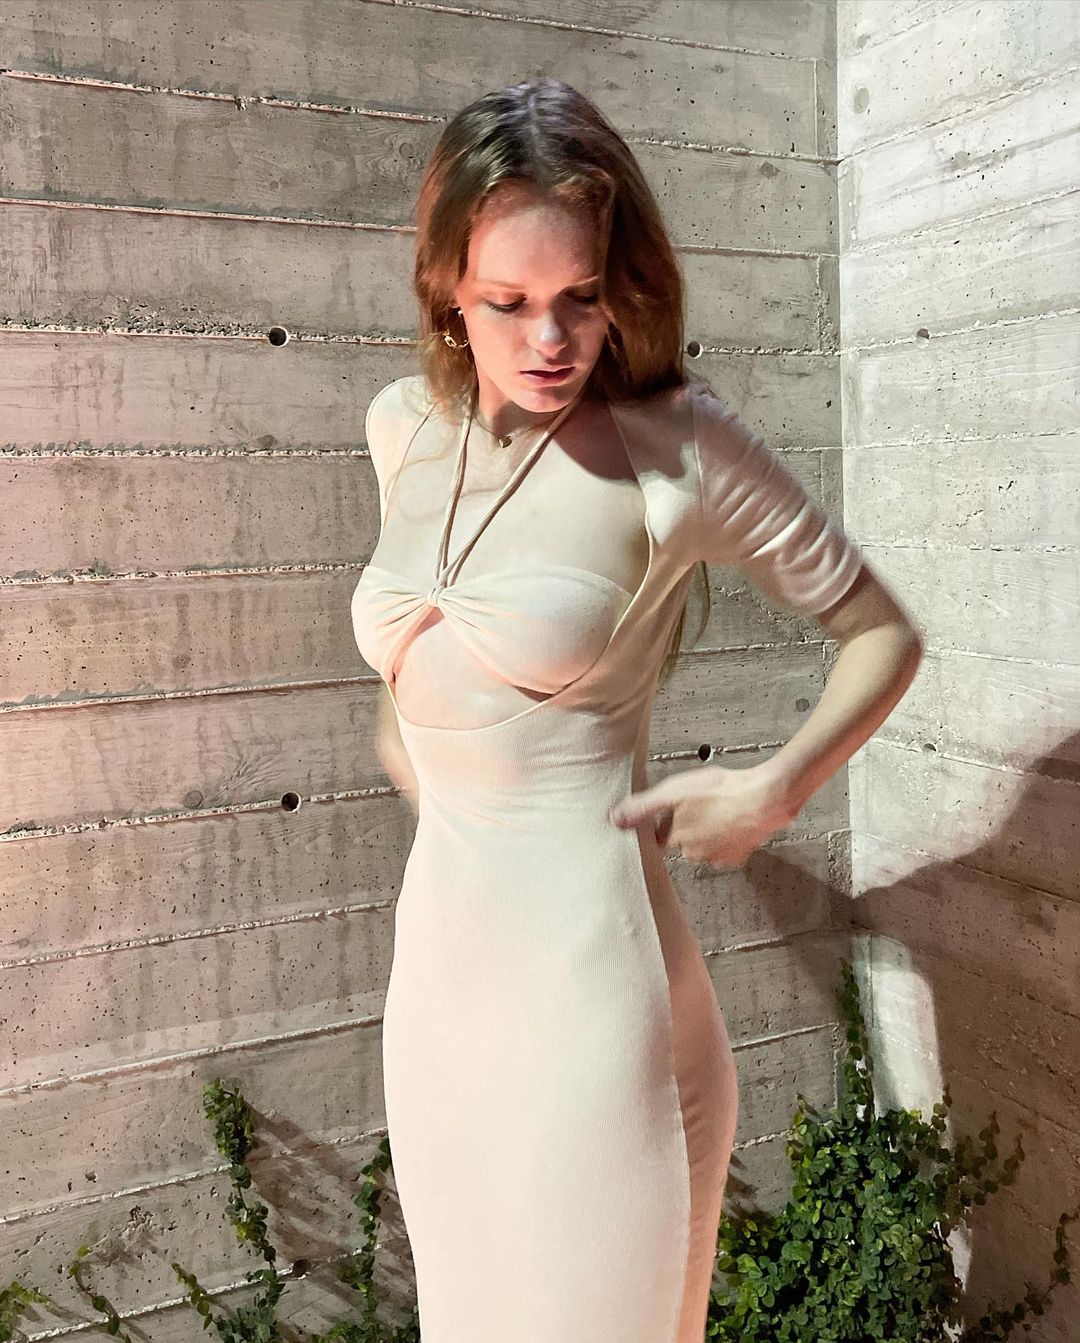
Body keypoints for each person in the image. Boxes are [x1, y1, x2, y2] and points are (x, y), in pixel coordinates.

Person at [351, 76, 922, 1343]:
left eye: (582, 295)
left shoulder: (677, 449)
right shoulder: (402, 430)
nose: (551, 337)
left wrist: (775, 785)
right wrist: (425, 744)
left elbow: (883, 631)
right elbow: (424, 673)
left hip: (593, 1011)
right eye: (508, 302)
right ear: (446, 288)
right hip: (438, 994)